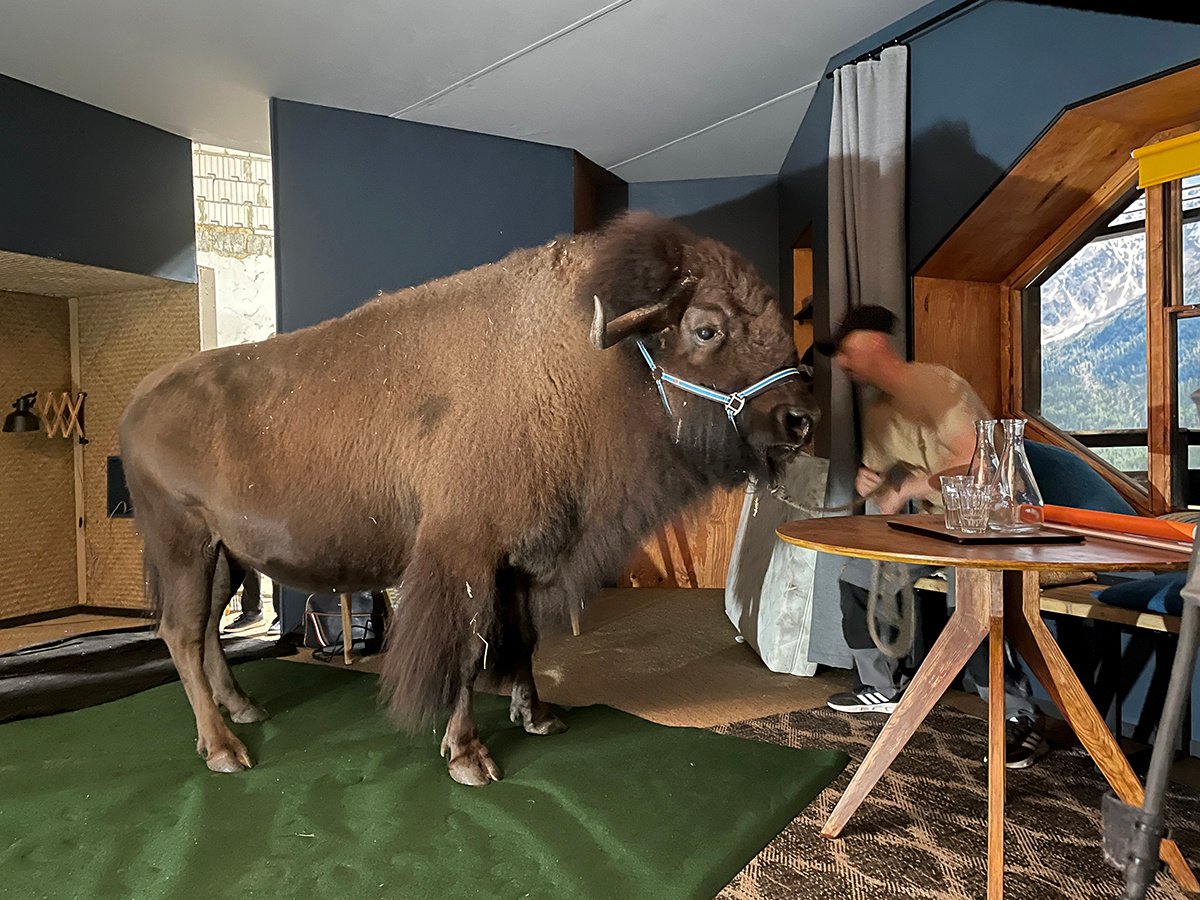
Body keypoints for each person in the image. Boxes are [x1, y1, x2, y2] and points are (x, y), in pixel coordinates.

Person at [817, 305, 1047, 769]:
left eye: (846, 349)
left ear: (875, 343)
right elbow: (886, 485)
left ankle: (1018, 718)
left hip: (988, 522)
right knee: (856, 575)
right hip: (932, 528)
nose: (841, 362)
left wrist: (911, 487)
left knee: (972, 604)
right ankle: (881, 688)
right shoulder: (879, 414)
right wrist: (872, 484)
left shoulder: (938, 387)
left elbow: (980, 469)